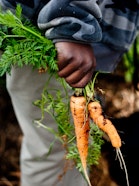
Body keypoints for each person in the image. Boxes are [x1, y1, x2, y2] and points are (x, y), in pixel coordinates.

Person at [0, 0, 139, 186]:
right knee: (55, 153)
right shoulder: (68, 26)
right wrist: (70, 24)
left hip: (69, 29)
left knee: (73, 143)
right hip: (50, 35)